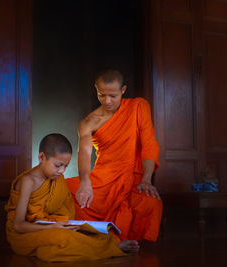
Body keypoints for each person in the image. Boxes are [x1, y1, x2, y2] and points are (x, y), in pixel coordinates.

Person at [5, 133, 139, 262]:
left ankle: (109, 245)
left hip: (50, 226)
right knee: (63, 238)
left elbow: (62, 211)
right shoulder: (28, 181)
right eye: (58, 165)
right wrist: (53, 228)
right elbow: (18, 225)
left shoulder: (57, 179)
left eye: (66, 166)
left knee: (93, 232)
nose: (62, 171)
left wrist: (58, 225)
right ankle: (112, 249)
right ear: (41, 157)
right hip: (24, 234)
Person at [66, 69, 163, 242]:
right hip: (104, 179)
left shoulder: (138, 107)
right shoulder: (89, 122)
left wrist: (146, 179)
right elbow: (85, 153)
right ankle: (94, 237)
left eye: (113, 95)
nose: (107, 101)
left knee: (151, 203)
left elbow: (149, 144)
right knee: (62, 190)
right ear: (96, 90)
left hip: (134, 179)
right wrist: (85, 182)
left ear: (123, 90)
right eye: (102, 95)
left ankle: (121, 240)